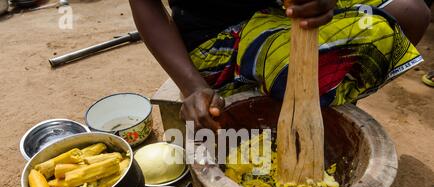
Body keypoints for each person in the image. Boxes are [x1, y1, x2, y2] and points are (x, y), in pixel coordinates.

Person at [129, 0, 431, 131]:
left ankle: (325, 106)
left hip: (279, 10)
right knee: (286, 68)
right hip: (219, 35)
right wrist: (192, 86)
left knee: (410, 13)